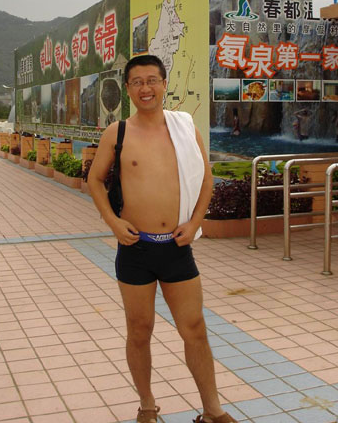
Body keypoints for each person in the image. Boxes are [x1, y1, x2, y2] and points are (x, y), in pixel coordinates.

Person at [88, 55, 236, 423]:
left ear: (164, 84)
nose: (145, 88)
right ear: (127, 88)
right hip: (135, 248)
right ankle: (147, 405)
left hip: (176, 247)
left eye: (152, 80)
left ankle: (213, 411)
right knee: (139, 331)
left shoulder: (184, 127)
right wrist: (112, 222)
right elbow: (94, 179)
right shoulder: (118, 133)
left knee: (194, 328)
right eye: (137, 82)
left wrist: (196, 222)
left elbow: (206, 179)